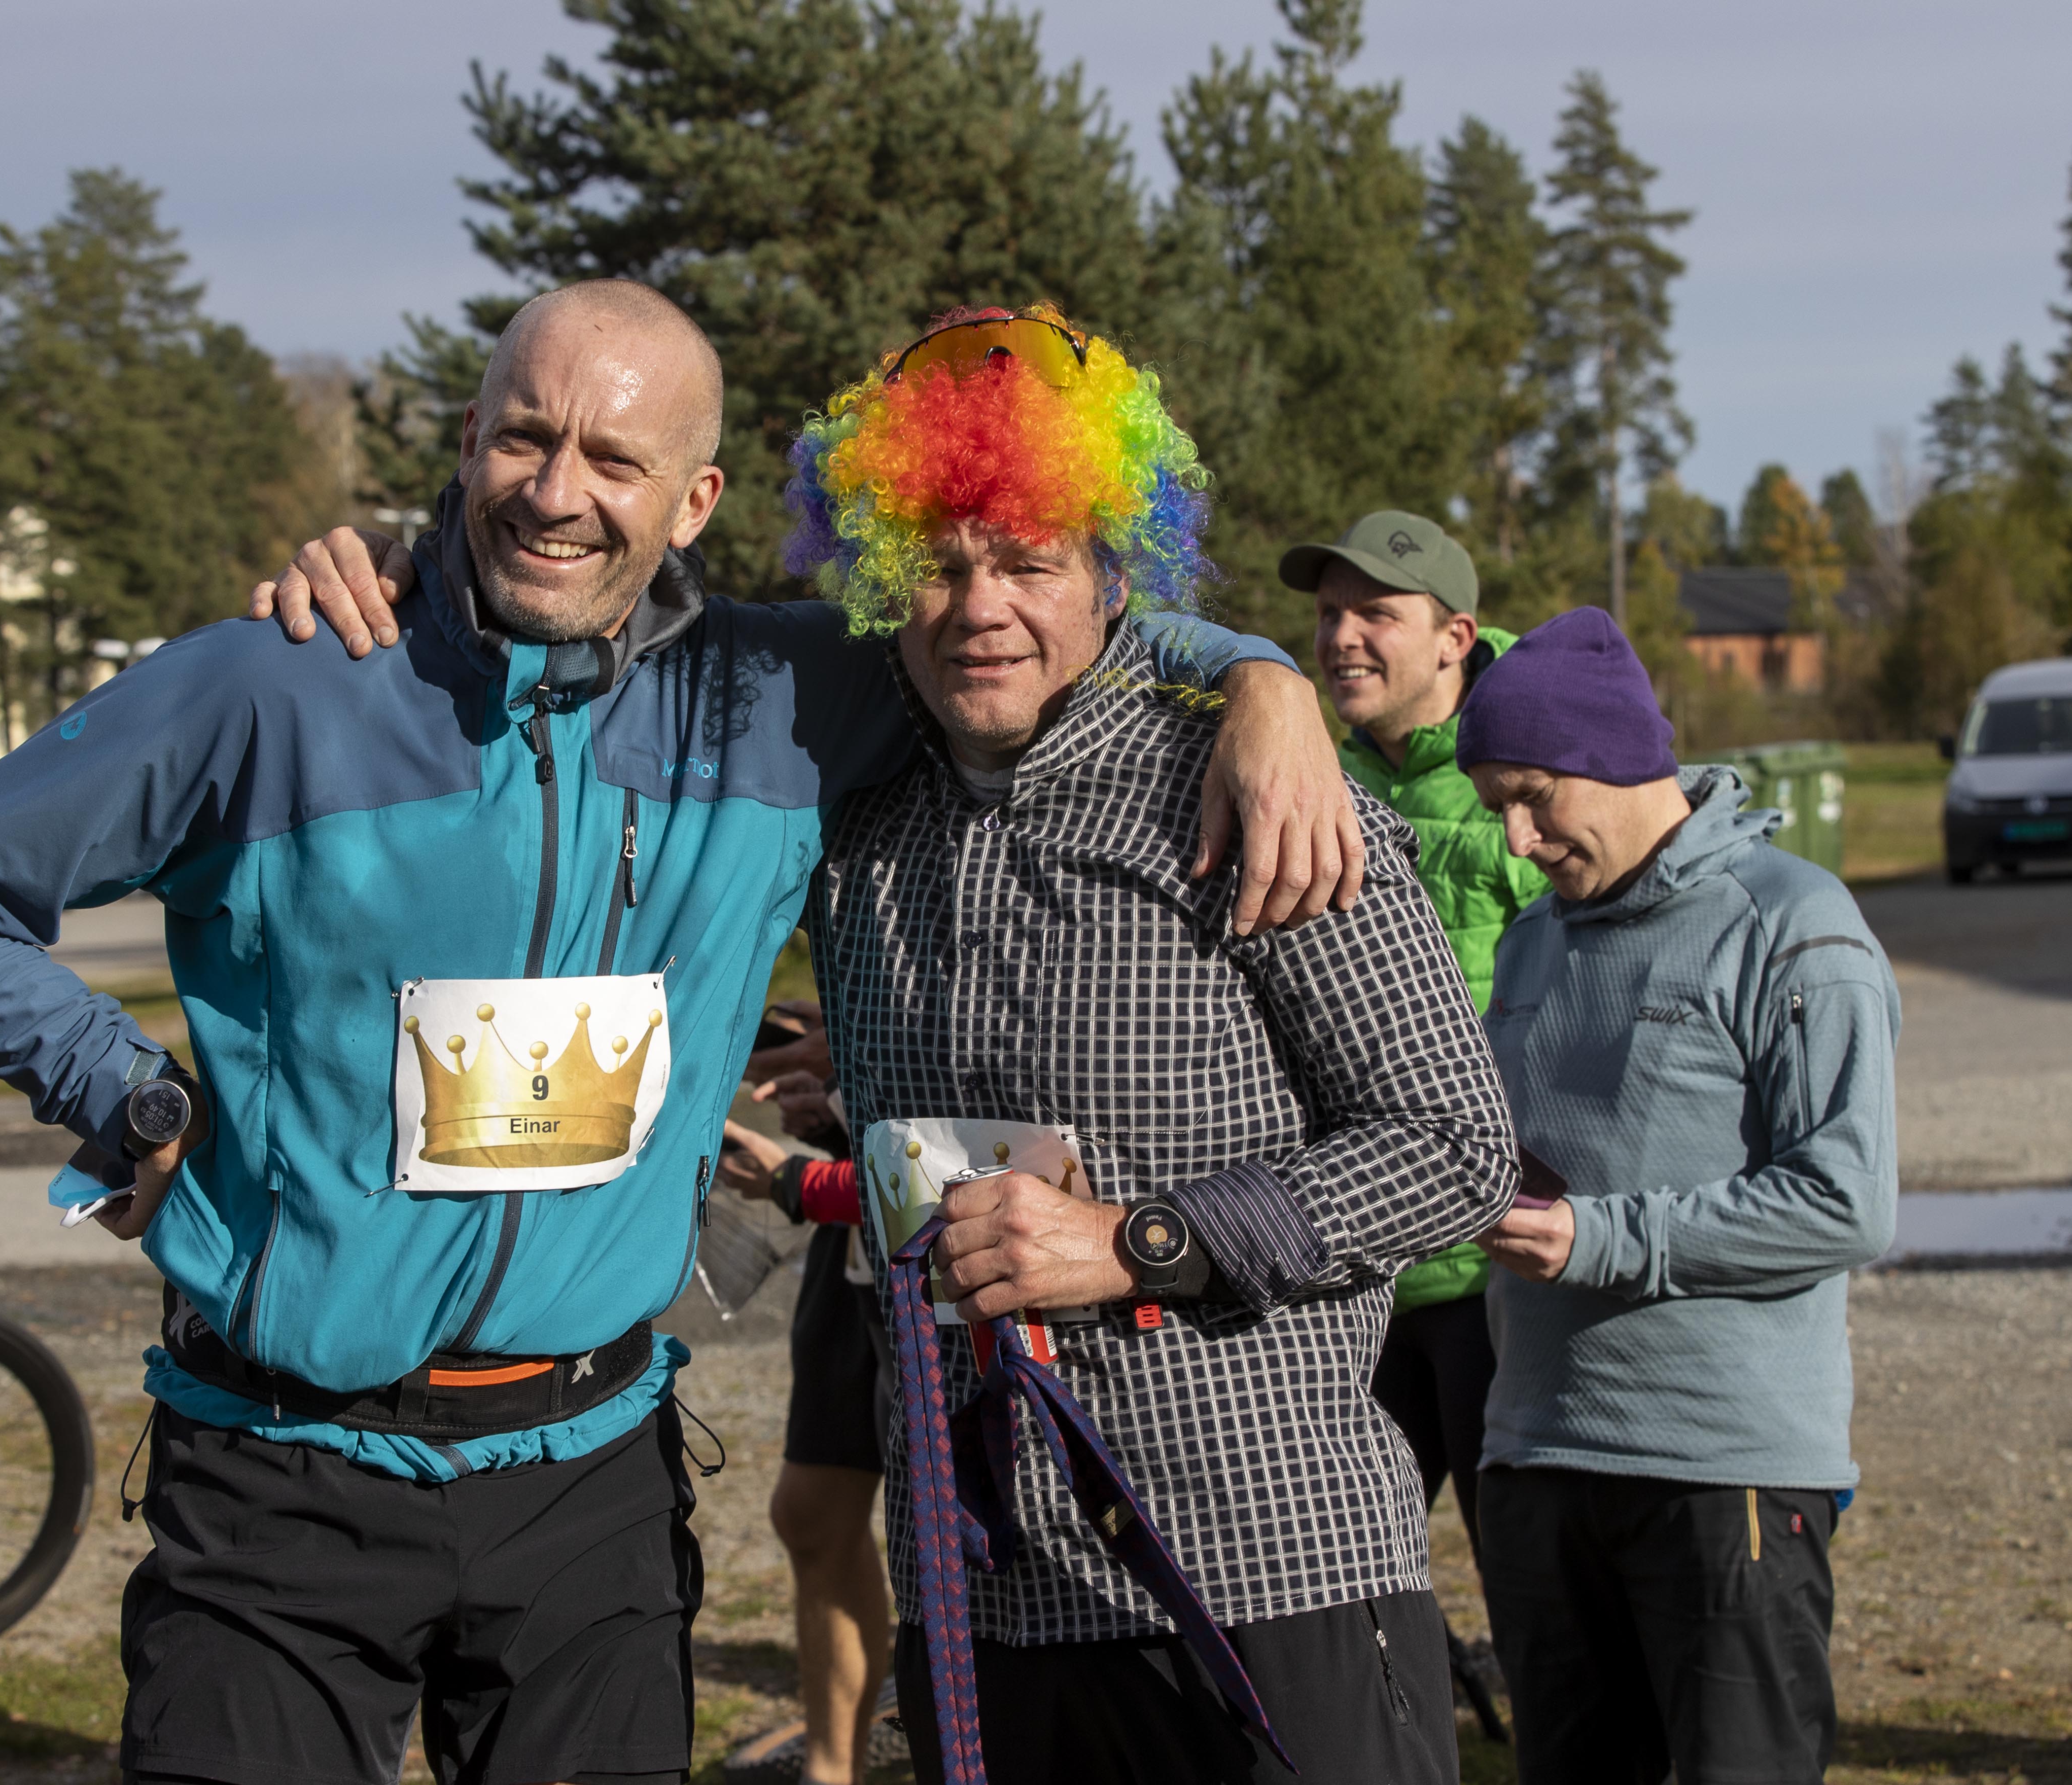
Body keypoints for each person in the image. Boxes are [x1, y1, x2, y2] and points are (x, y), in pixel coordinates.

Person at [0, 279, 1363, 1785]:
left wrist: (1262, 674)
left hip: (588, 1492)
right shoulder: (281, 682)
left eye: (615, 462)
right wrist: (129, 1097)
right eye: (525, 439)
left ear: (695, 500)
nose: (557, 495)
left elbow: (1029, 606)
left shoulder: (783, 696)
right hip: (278, 1477)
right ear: (467, 440)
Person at [783, 307, 1518, 1784]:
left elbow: (1456, 1149)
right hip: (981, 1588)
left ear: (1116, 574)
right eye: (936, 561)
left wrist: (1144, 1240)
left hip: (1265, 1573)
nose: (980, 605)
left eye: (1029, 560)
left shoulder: (1259, 790)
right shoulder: (854, 821)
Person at [1459, 606, 1899, 1784]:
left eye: (1532, 794)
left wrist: (1597, 1238)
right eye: (1495, 801)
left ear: (1615, 758)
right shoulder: (1532, 940)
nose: (1514, 837)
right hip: (1538, 1458)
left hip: (1724, 1472)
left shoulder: (1794, 924)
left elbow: (1845, 1202)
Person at [1282, 512, 1546, 1591]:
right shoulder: (1301, 776)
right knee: (1330, 1572)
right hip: (1356, 1269)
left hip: (1499, 1267)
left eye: (1375, 614)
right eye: (1328, 613)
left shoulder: (1534, 771)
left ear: (1454, 636)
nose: (1342, 636)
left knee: (1526, 1576)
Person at [717, 1016, 898, 1785]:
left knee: (972, 1544)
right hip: (859, 1231)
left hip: (931, 1241)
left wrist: (798, 1182)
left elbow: (1001, 1160)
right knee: (812, 1511)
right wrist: (836, 1105)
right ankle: (832, 1772)